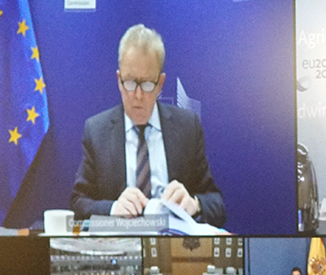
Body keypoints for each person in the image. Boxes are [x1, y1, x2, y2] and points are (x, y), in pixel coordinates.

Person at [69, 24, 226, 226]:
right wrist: (113, 209)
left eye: (147, 84)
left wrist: (194, 204)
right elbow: (79, 203)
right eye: (130, 83)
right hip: (119, 243)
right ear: (119, 80)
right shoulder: (97, 131)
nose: (138, 95)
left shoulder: (187, 127)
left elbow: (217, 205)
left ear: (161, 83)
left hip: (174, 243)